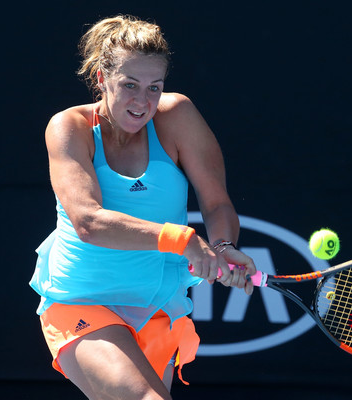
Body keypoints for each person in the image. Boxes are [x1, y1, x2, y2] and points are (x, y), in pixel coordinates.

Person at [29, 15, 257, 400]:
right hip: (83, 303)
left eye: (154, 87)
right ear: (101, 79)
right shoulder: (70, 128)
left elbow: (217, 202)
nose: (142, 102)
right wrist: (181, 239)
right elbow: (88, 221)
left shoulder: (178, 117)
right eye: (129, 85)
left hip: (159, 309)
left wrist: (221, 246)